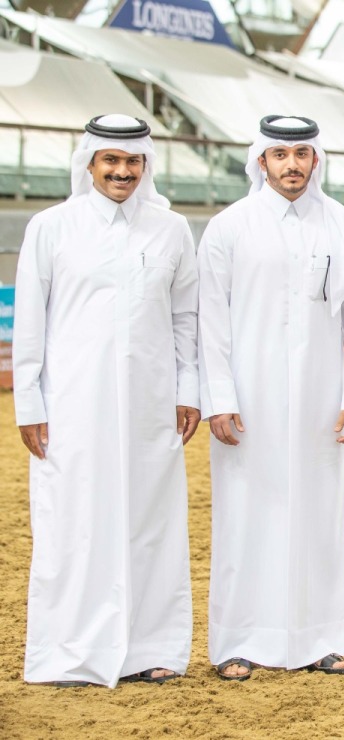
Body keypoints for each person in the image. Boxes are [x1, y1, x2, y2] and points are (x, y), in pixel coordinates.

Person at [12, 114, 199, 688]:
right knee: (73, 522)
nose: (122, 172)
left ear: (146, 166)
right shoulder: (51, 227)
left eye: (133, 162)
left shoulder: (171, 230)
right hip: (71, 406)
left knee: (150, 522)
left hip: (151, 408)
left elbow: (185, 318)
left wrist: (188, 389)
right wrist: (29, 402)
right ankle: (70, 652)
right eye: (111, 162)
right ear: (89, 163)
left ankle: (151, 648)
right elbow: (30, 322)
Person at [197, 115, 344, 681]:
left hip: (319, 402)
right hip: (247, 404)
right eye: (281, 155)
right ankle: (238, 641)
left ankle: (322, 638)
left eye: (302, 153)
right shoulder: (229, 228)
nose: (293, 165)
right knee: (245, 515)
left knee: (319, 514)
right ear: (261, 161)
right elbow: (211, 323)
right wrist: (219, 397)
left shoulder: (342, 226)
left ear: (316, 160)